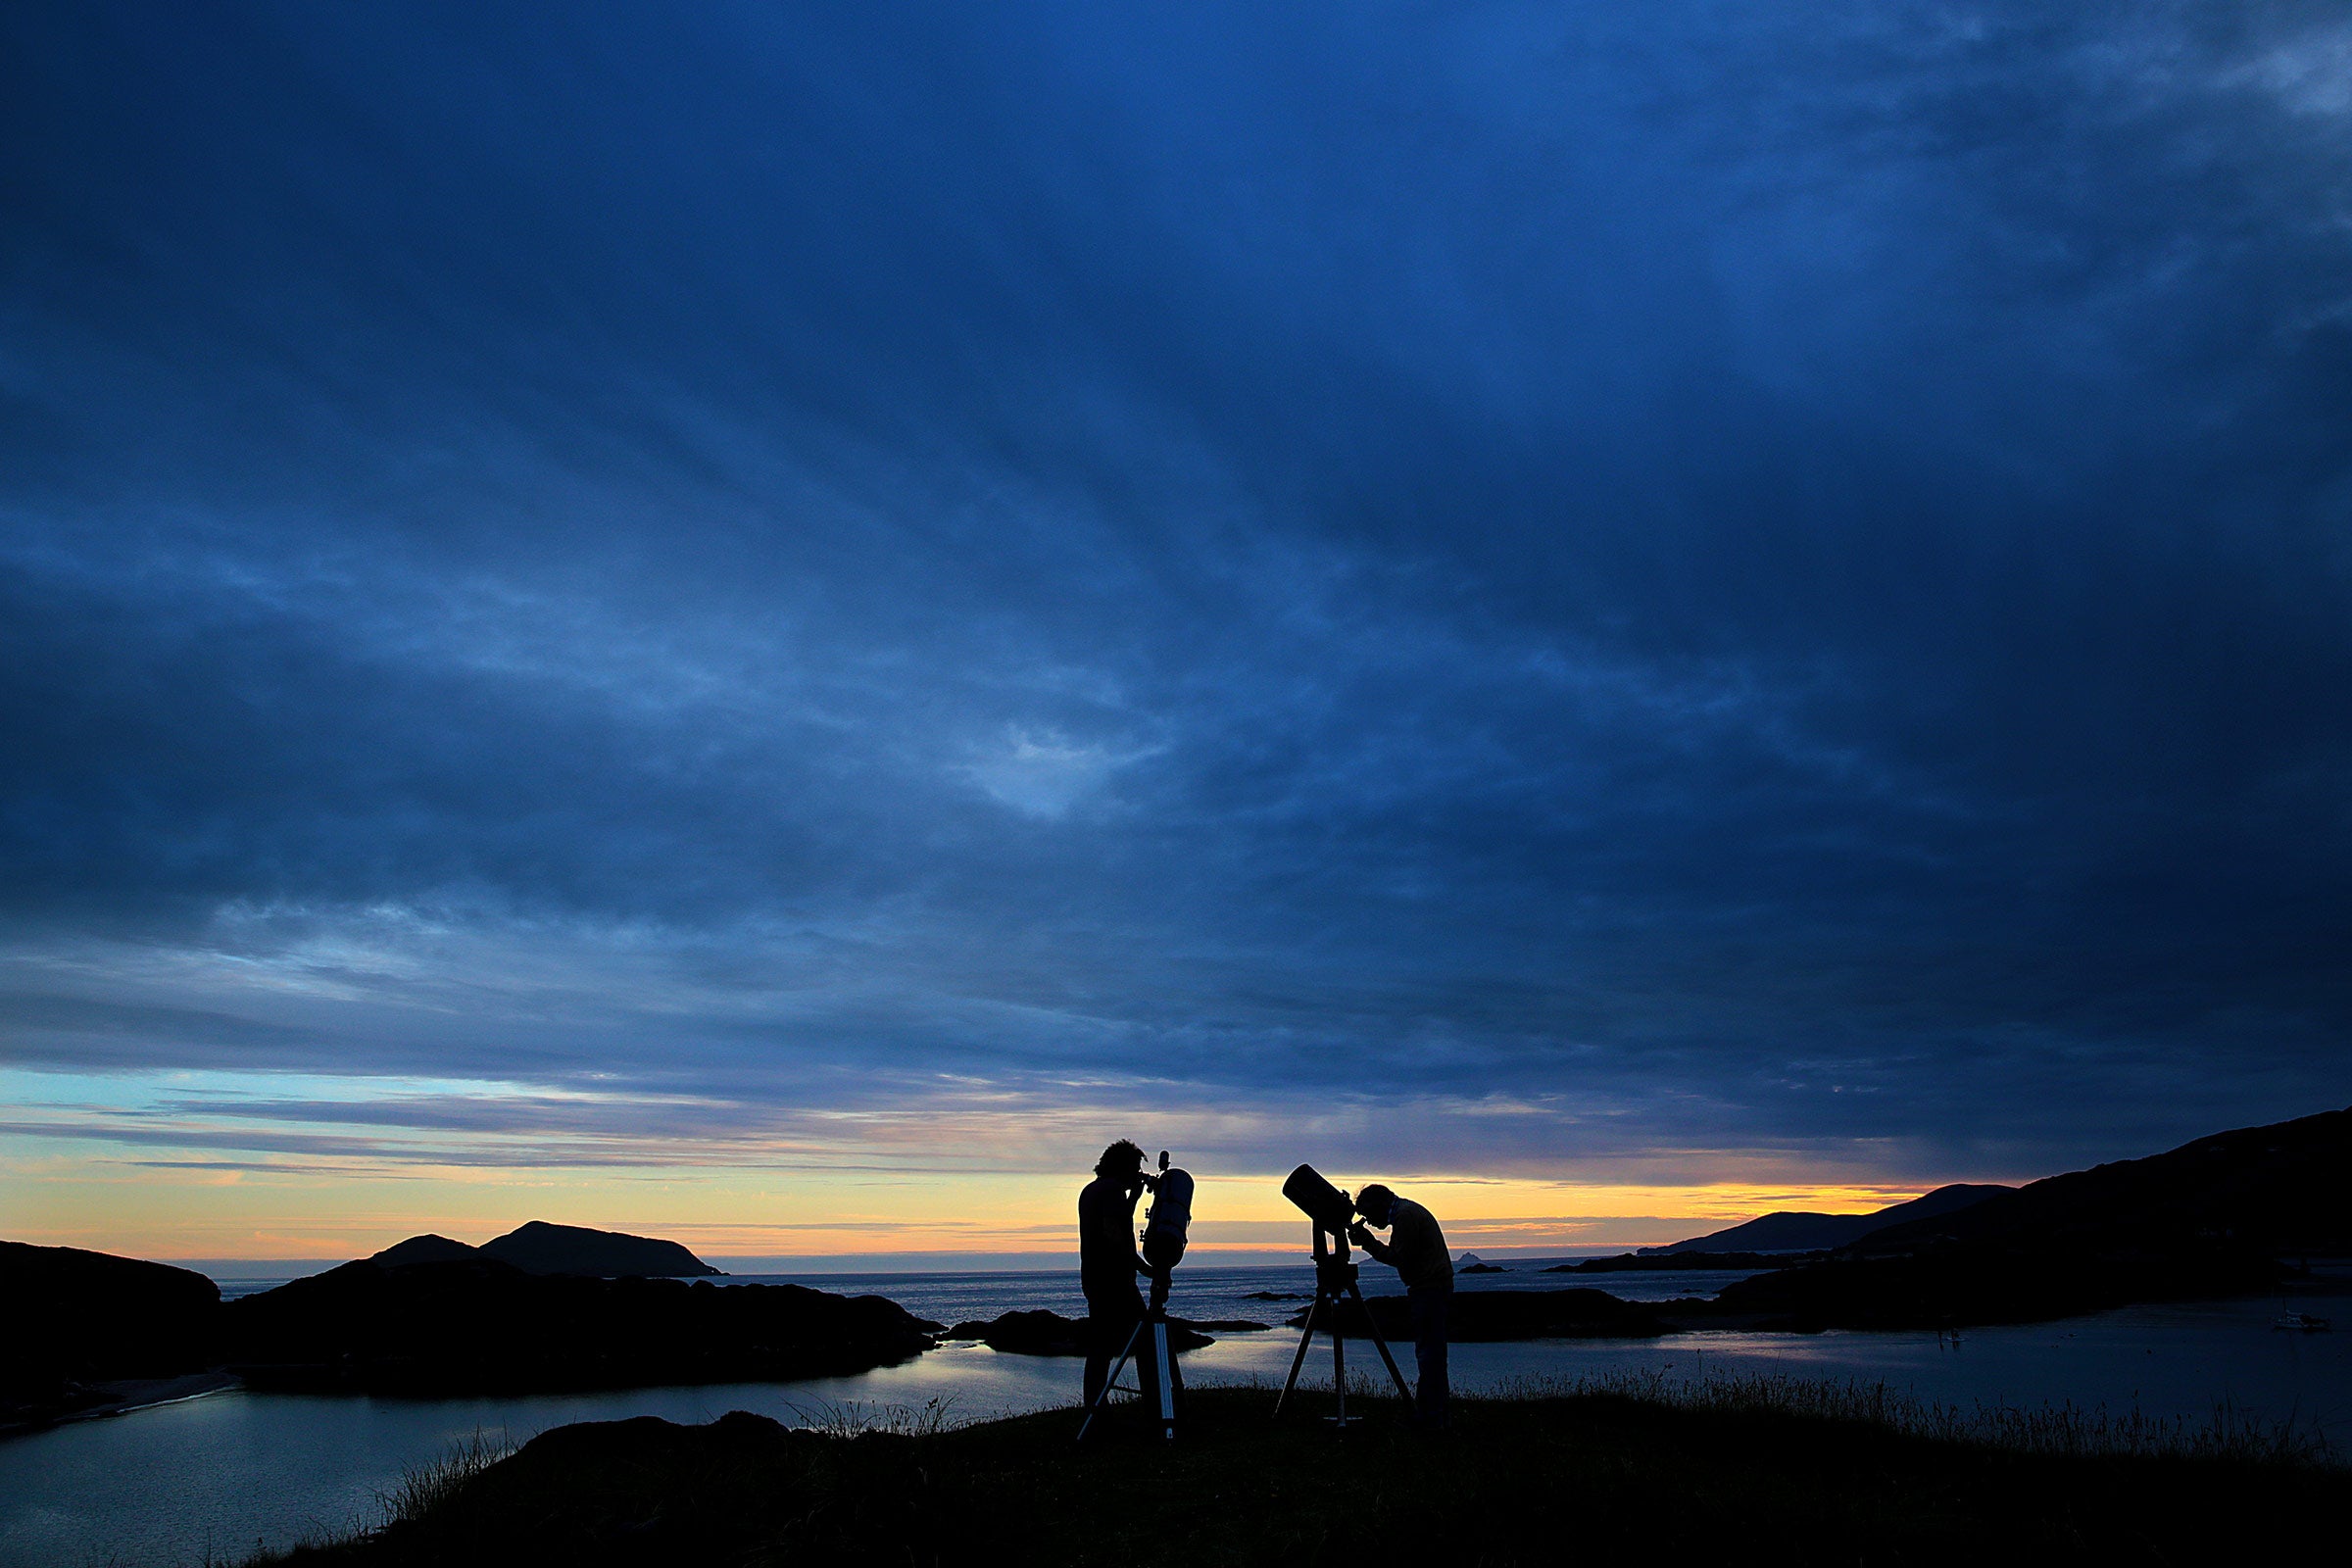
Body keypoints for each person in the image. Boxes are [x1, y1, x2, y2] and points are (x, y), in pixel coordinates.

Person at [1348, 1182, 1451, 1427]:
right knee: (1431, 1353)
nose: (1369, 1221)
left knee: (1429, 1354)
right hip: (1432, 1287)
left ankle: (1431, 1417)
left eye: (1368, 1214)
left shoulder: (1405, 1217)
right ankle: (1432, 1414)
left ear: (1379, 1205)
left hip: (1429, 1289)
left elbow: (1399, 1258)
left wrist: (1368, 1243)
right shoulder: (1407, 1212)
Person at [1078, 1139, 1160, 1413]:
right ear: (1122, 1167)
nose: (1138, 1173)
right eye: (1135, 1167)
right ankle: (1154, 1402)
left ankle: (1095, 1408)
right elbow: (1115, 1236)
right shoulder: (1112, 1190)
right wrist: (1145, 1269)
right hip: (1115, 1281)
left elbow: (1117, 1221)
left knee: (1100, 1347)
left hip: (1095, 1278)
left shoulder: (1092, 1190)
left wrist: (1134, 1198)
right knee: (1146, 1340)